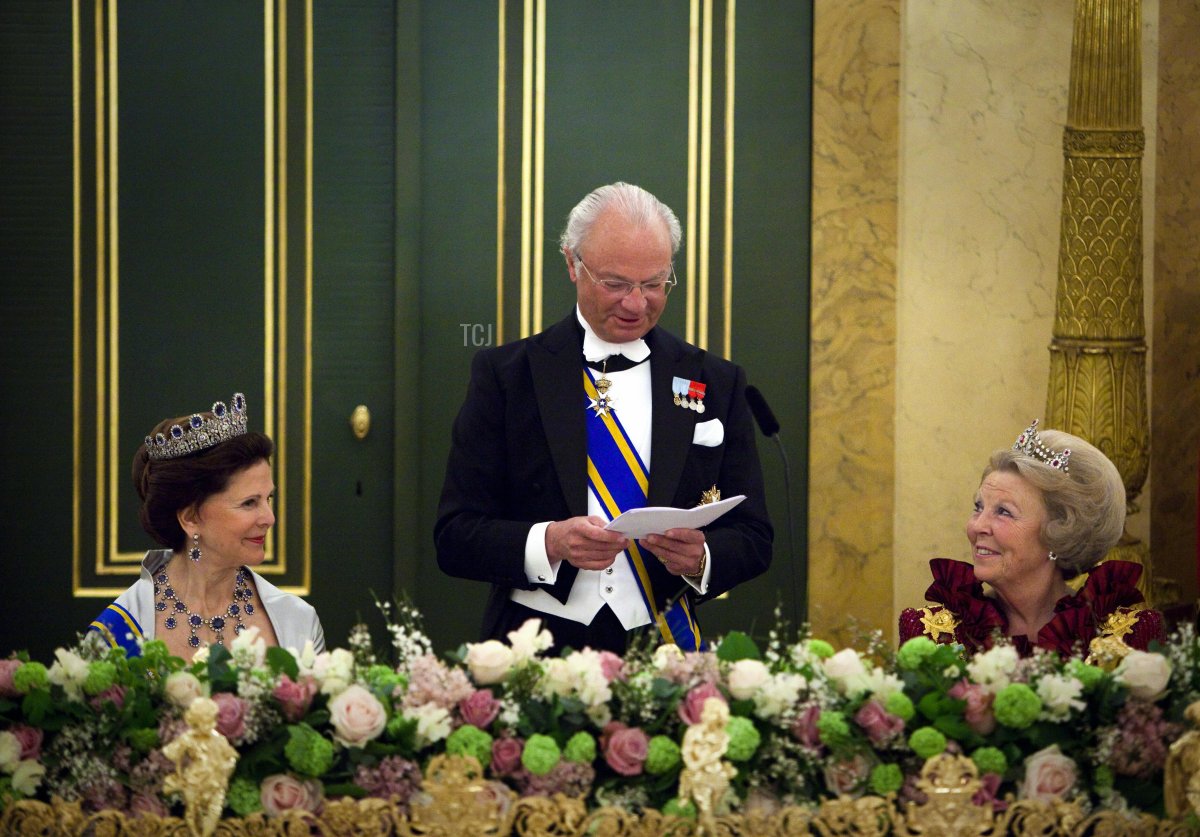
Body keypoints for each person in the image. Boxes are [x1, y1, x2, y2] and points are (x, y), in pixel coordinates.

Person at [435, 182, 773, 654]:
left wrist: (701, 558)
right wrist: (549, 542)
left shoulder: (717, 381)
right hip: (536, 647)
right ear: (572, 263)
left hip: (664, 650)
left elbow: (755, 537)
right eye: (615, 283)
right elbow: (455, 536)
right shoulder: (507, 377)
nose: (636, 303)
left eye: (655, 283)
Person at [87, 392, 325, 660]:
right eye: (249, 503)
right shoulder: (116, 636)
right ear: (190, 518)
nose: (269, 518)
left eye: (268, 498)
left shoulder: (298, 621)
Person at [899, 419, 1165, 657]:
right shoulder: (933, 635)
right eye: (978, 507)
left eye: (1003, 512)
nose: (977, 526)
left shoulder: (1125, 636)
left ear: (1059, 533)